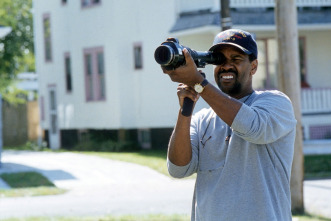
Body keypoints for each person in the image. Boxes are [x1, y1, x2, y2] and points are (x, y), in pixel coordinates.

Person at [162, 29, 297, 221]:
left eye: (236, 59)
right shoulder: (202, 119)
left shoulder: (276, 103)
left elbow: (252, 127)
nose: (226, 66)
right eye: (219, 60)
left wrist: (198, 82)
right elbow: (178, 169)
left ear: (254, 66)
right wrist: (186, 109)